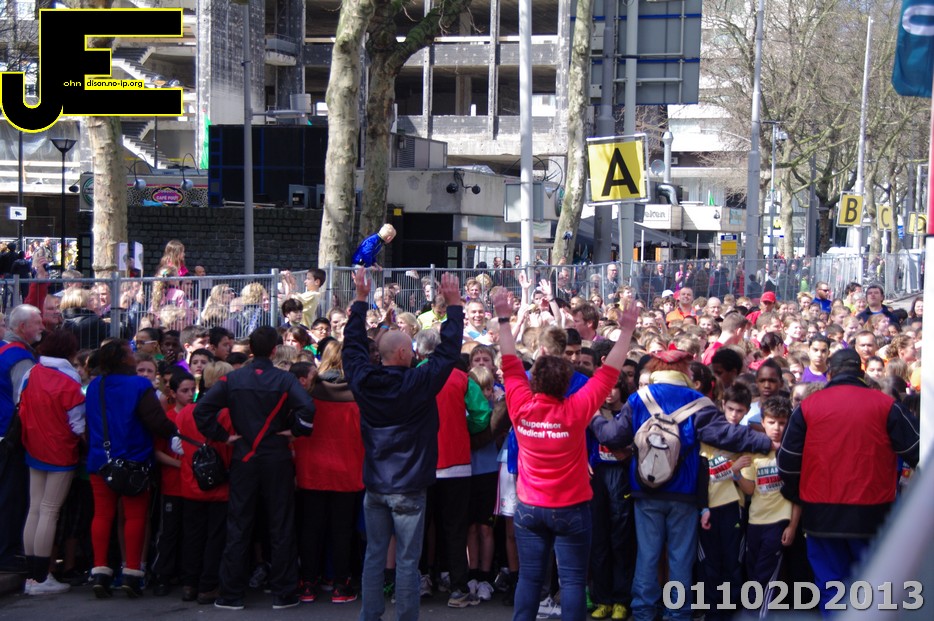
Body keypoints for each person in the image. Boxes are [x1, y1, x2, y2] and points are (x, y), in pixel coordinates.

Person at [590, 349, 775, 621]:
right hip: (685, 493)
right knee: (680, 559)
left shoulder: (639, 398)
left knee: (647, 556)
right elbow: (728, 435)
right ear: (684, 370)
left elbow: (613, 435)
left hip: (646, 491)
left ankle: (643, 612)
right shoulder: (699, 402)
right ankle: (678, 613)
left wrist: (594, 416)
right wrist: (768, 442)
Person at [492, 288, 640, 621]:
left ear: (534, 381)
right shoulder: (578, 408)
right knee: (573, 581)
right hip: (571, 508)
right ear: (566, 383)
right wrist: (627, 331)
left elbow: (509, 361)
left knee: (530, 579)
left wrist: (503, 317)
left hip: (530, 508)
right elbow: (609, 372)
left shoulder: (520, 405)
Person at [342, 266, 463, 621]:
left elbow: (352, 349)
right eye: (409, 349)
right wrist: (454, 305)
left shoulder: (364, 380)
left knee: (375, 555)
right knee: (408, 560)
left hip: (377, 483)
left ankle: (370, 615)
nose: (413, 352)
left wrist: (360, 300)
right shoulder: (417, 383)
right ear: (401, 354)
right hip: (409, 485)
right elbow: (448, 353)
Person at [778, 348, 920, 612]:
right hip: (872, 514)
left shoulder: (808, 406)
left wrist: (799, 495)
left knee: (831, 588)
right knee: (873, 587)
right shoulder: (886, 405)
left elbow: (787, 461)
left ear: (830, 373)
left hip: (821, 514)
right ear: (862, 373)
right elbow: (918, 451)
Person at [194, 326, 316, 610]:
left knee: (239, 524)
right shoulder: (284, 379)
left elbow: (202, 410)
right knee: (281, 524)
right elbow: (308, 408)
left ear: (250, 348)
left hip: (245, 457)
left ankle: (231, 594)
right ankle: (284, 592)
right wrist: (296, 430)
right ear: (274, 350)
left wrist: (223, 436)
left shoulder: (233, 378)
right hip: (275, 457)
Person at [85, 339, 182, 598]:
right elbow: (155, 420)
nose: (134, 356)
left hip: (101, 458)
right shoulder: (139, 385)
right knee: (136, 516)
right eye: (130, 353)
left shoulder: (95, 385)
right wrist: (175, 433)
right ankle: (132, 571)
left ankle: (100, 570)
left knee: (102, 515)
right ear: (123, 359)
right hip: (134, 459)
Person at [18, 330, 85, 595]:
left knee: (35, 509)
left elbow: (20, 404)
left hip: (33, 445)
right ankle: (40, 577)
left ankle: (32, 576)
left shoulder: (31, 373)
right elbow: (78, 424)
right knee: (49, 511)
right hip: (60, 450)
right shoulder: (69, 379)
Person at [0, 304, 42, 574]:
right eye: (37, 322)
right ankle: (6, 552)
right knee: (11, 495)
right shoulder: (20, 358)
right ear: (22, 327)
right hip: (10, 433)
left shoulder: (4, 350)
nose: (42, 327)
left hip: (4, 430)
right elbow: (24, 398)